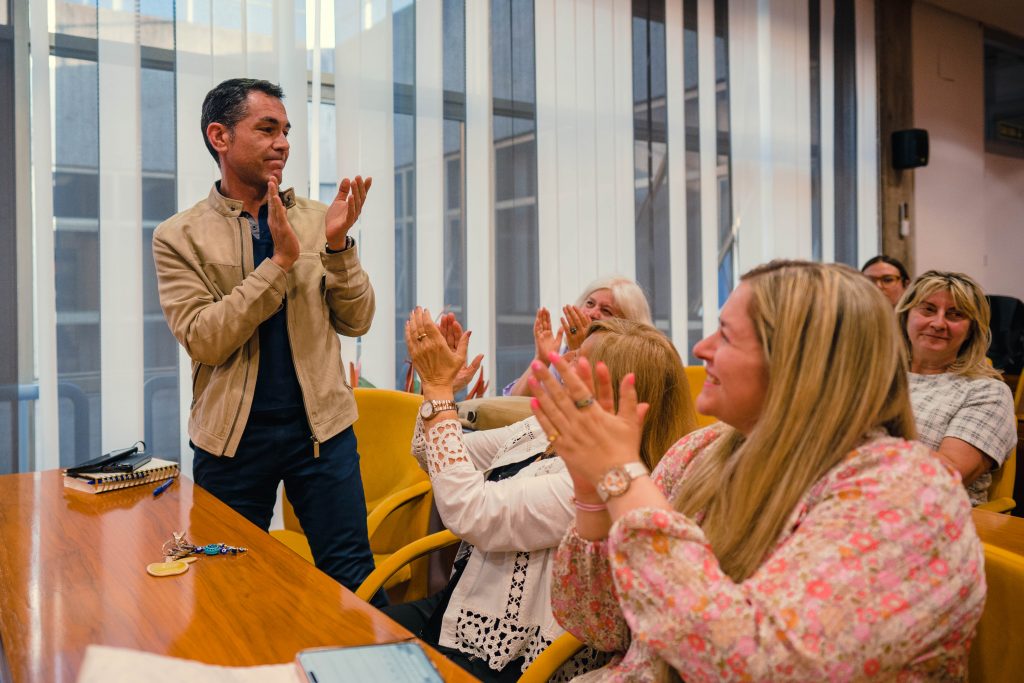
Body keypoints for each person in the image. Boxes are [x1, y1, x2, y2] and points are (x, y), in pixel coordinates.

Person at [530, 260, 985, 681]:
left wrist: (622, 477)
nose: (700, 348)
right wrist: (592, 493)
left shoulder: (904, 493)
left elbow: (753, 665)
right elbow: (601, 624)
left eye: (725, 336)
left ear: (799, 363)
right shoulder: (702, 450)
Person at [152, 78, 381, 602]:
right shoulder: (178, 236)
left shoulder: (321, 218)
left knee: (353, 579)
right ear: (220, 136)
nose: (283, 143)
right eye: (267, 128)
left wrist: (339, 245)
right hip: (232, 440)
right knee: (225, 588)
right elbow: (205, 339)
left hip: (322, 432)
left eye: (286, 131)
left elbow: (357, 320)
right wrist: (277, 262)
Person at [389, 308, 696, 682]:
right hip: (462, 604)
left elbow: (470, 512)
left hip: (507, 654)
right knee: (345, 634)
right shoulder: (545, 430)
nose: (562, 362)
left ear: (610, 393)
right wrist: (441, 391)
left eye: (577, 362)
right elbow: (433, 454)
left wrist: (438, 390)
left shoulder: (596, 479)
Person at [898, 270, 1017, 505]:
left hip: (935, 519)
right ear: (905, 317)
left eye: (955, 315)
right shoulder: (877, 379)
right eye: (928, 309)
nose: (938, 323)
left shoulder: (987, 392)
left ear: (972, 330)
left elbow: (945, 477)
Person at [504, 276, 653, 396]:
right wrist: (542, 359)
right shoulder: (563, 351)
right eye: (589, 304)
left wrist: (581, 350)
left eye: (606, 311)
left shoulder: (633, 362)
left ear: (628, 324)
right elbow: (512, 405)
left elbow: (583, 409)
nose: (592, 313)